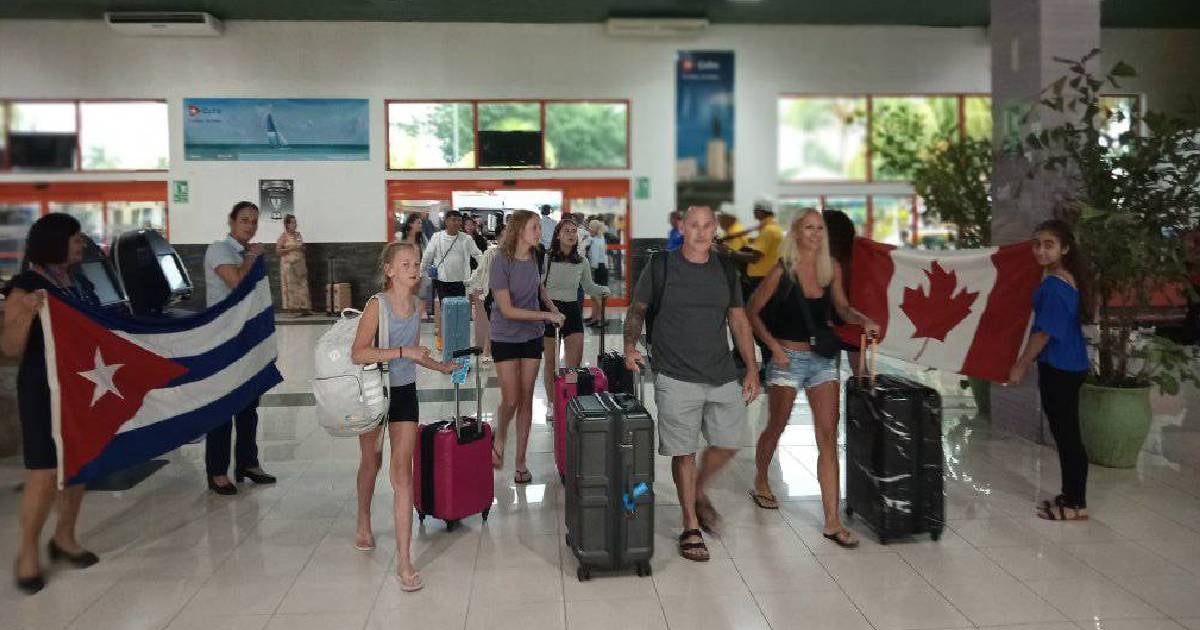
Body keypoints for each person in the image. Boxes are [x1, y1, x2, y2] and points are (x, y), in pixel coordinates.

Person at [623, 205, 761, 562]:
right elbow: (637, 309)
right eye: (694, 225)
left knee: (730, 442)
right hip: (674, 373)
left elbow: (739, 320)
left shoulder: (726, 269)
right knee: (683, 451)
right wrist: (628, 345)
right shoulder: (661, 266)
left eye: (707, 226)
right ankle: (689, 525)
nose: (701, 232)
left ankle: (697, 491)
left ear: (715, 228)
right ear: (682, 227)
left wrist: (751, 367)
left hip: (720, 372)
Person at [746, 209, 879, 548]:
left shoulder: (829, 268)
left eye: (820, 229)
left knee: (828, 436)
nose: (816, 234)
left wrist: (863, 320)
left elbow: (843, 308)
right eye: (809, 228)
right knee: (777, 424)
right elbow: (752, 310)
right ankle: (761, 478)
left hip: (822, 360)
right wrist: (773, 347)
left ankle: (832, 521)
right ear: (796, 232)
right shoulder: (783, 269)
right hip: (787, 359)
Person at [3, 214, 101, 594]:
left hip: (79, 389)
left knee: (77, 466)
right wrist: (27, 310)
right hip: (42, 390)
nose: (81, 244)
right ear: (55, 242)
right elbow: (10, 347)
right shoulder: (25, 285)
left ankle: (64, 538)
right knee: (43, 473)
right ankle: (27, 553)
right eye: (75, 239)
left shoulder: (75, 282)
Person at [350, 241, 455, 593]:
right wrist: (400, 351)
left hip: (405, 394)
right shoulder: (376, 306)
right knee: (371, 461)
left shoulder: (418, 305)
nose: (414, 268)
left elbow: (413, 355)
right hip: (373, 392)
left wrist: (441, 366)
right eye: (406, 264)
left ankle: (404, 560)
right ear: (390, 270)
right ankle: (363, 518)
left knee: (402, 473)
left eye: (416, 263)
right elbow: (358, 353)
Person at [1008, 219, 1093, 522]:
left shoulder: (1056, 285)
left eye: (1049, 245)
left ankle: (1075, 504)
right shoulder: (1060, 278)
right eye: (1037, 244)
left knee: (1068, 436)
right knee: (1066, 434)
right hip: (1066, 364)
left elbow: (1043, 333)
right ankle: (1071, 495)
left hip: (1062, 366)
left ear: (1064, 248)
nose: (1041, 250)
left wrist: (1020, 365)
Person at [204, 201, 276, 495]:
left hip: (247, 335)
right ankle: (217, 471)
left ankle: (248, 462)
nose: (249, 225)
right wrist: (250, 257)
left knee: (248, 402)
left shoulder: (249, 251)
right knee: (223, 405)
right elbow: (236, 282)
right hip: (223, 337)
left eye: (254, 221)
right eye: (244, 220)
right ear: (232, 221)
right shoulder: (219, 249)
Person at [489, 210, 564, 485]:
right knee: (511, 399)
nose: (539, 232)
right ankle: (500, 434)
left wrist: (552, 307)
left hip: (531, 336)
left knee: (527, 396)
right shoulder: (500, 261)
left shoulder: (537, 255)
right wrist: (546, 316)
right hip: (505, 336)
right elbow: (507, 309)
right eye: (534, 227)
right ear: (520, 230)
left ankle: (520, 461)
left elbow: (539, 288)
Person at [541, 218, 611, 417]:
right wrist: (551, 309)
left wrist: (603, 289)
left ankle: (570, 400)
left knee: (574, 366)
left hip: (572, 312)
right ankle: (552, 403)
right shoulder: (547, 258)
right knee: (551, 363)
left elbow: (589, 287)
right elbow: (540, 286)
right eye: (567, 231)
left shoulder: (582, 261)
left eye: (574, 231)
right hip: (550, 312)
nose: (572, 234)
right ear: (558, 235)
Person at [421, 210, 482, 350]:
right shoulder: (437, 237)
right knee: (446, 314)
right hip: (443, 282)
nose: (456, 223)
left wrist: (481, 270)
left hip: (462, 283)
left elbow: (478, 255)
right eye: (453, 219)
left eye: (458, 220)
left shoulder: (466, 238)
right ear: (446, 221)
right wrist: (421, 272)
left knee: (462, 315)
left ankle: (460, 346)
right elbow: (427, 256)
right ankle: (446, 343)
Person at [824, 209, 863, 374]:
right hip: (852, 318)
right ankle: (864, 398)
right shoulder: (859, 252)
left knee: (829, 372)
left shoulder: (824, 257)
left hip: (833, 321)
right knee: (859, 369)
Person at [469, 223, 503, 361]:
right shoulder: (491, 253)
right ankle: (487, 351)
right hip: (492, 293)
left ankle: (496, 351)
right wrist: (471, 286)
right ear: (499, 237)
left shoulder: (516, 253)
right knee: (493, 322)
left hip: (510, 294)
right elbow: (480, 271)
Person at [275, 214, 311, 314]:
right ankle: (293, 309)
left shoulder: (298, 235)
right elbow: (278, 251)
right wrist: (292, 248)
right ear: (287, 224)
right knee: (291, 287)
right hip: (289, 265)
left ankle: (304, 308)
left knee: (303, 285)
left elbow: (302, 247)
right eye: (292, 222)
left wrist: (302, 248)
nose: (295, 225)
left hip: (300, 264)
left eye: (295, 222)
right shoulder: (283, 236)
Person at [583, 219, 610, 328]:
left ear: (594, 229)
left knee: (597, 295)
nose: (589, 229)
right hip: (601, 268)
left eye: (590, 227)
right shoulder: (599, 238)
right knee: (594, 296)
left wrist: (590, 272)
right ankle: (594, 317)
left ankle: (602, 318)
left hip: (598, 269)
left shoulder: (595, 240)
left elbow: (594, 259)